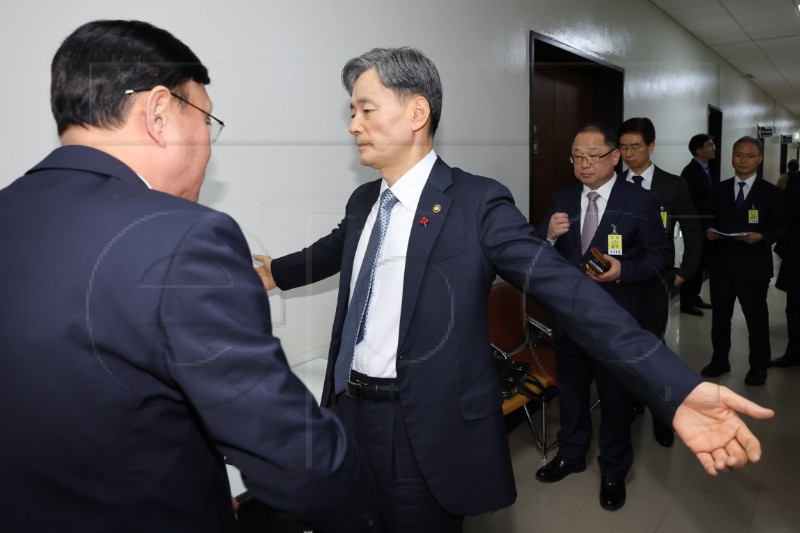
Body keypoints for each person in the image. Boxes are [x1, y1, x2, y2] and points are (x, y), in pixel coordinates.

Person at [254, 47, 774, 532]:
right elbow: (333, 250)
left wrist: (674, 388)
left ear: (417, 112)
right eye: (352, 111)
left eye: (365, 110)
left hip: (420, 426)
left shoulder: (476, 203)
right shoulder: (364, 200)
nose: (353, 125)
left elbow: (573, 294)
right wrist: (274, 272)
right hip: (348, 410)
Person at [0, 20, 381, 533]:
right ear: (159, 112)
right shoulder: (186, 239)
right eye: (205, 119)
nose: (208, 143)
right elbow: (296, 460)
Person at [534, 123, 670, 510]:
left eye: (593, 156)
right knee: (572, 392)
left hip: (615, 319)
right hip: (569, 319)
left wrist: (623, 270)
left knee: (614, 398)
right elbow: (538, 249)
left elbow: (660, 257)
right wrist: (547, 235)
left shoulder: (641, 201)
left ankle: (613, 470)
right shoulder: (562, 197)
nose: (584, 164)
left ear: (614, 157)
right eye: (577, 157)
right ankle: (571, 453)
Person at [618, 117, 703, 448]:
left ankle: (663, 412)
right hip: (620, 279)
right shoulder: (613, 184)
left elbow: (693, 231)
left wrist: (686, 270)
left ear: (651, 146)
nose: (628, 154)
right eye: (623, 147)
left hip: (656, 279)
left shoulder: (672, 185)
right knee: (622, 346)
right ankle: (630, 401)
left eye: (635, 147)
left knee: (652, 347)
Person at [700, 136, 790, 386]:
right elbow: (707, 217)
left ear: (760, 159)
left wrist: (763, 237)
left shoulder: (771, 193)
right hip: (721, 265)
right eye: (739, 154)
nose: (743, 160)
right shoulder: (718, 189)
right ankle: (719, 360)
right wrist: (708, 229)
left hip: (753, 267)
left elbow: (784, 225)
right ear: (731, 157)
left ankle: (758, 367)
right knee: (720, 317)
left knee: (756, 319)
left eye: (750, 156)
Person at [680, 133, 717, 315]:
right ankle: (686, 301)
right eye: (709, 145)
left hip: (706, 226)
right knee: (693, 263)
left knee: (701, 264)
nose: (714, 148)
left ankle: (694, 296)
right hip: (696, 227)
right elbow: (692, 204)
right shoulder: (690, 172)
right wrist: (701, 228)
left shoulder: (707, 169)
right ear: (698, 150)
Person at [772, 169, 800, 367]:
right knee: (796, 310)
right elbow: (787, 215)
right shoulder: (797, 180)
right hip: (798, 257)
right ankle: (794, 353)